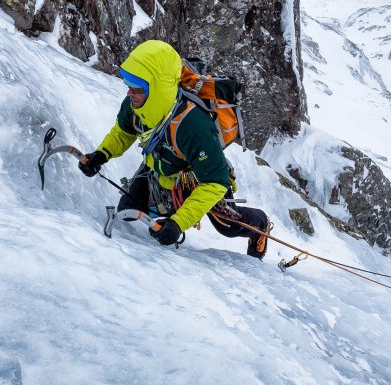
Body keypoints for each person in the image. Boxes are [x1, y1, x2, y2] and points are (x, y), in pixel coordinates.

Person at [78, 39, 272, 259]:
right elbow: (124, 132)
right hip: (160, 164)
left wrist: (178, 223)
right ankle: (167, 208)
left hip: (197, 176)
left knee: (226, 224)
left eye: (137, 88)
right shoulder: (135, 104)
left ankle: (260, 225)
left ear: (157, 89)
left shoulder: (194, 125)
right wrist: (100, 155)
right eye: (128, 85)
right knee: (129, 209)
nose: (129, 93)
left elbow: (215, 182)